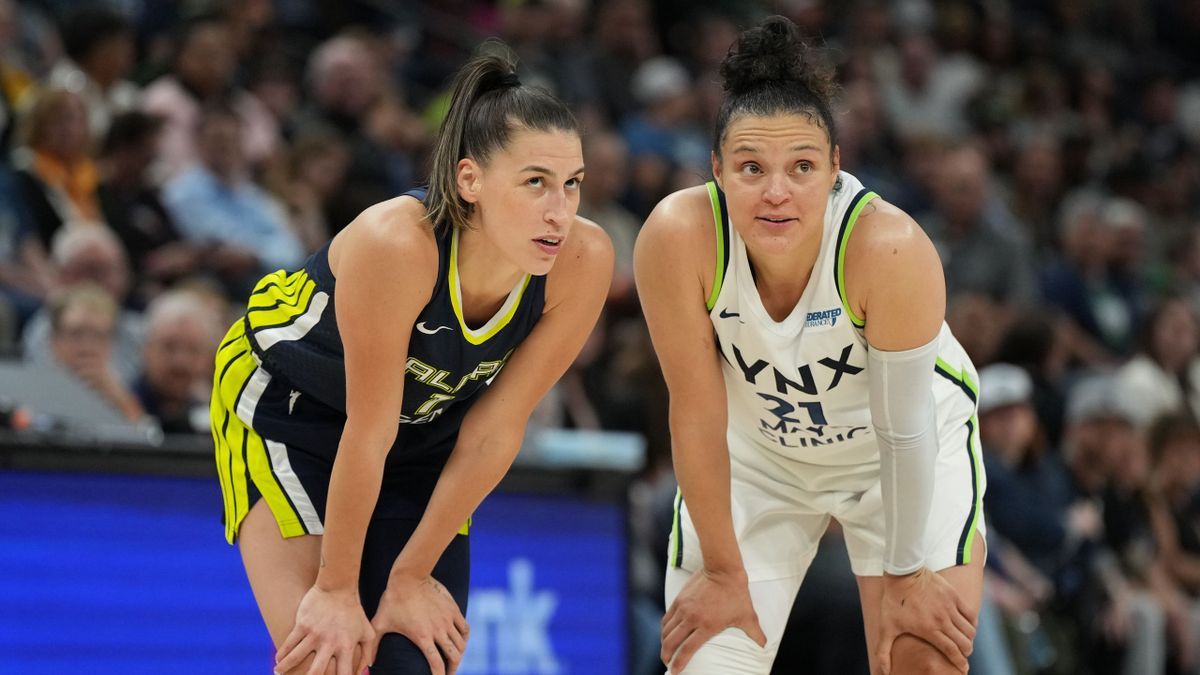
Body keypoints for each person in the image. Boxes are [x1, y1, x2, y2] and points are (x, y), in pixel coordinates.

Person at [210, 43, 612, 675]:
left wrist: (410, 574)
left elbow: (493, 432)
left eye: (572, 184)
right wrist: (338, 591)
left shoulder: (583, 262)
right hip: (290, 405)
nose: (559, 210)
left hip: (423, 428)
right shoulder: (397, 244)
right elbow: (366, 433)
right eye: (535, 182)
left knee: (410, 660)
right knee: (328, 657)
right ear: (469, 179)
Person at [634, 16, 985, 674]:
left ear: (834, 169)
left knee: (920, 655)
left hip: (902, 456)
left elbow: (904, 430)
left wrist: (906, 570)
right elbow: (696, 410)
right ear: (715, 169)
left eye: (801, 167)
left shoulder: (888, 247)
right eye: (750, 167)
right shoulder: (678, 236)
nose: (775, 191)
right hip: (760, 459)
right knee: (708, 656)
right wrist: (719, 567)